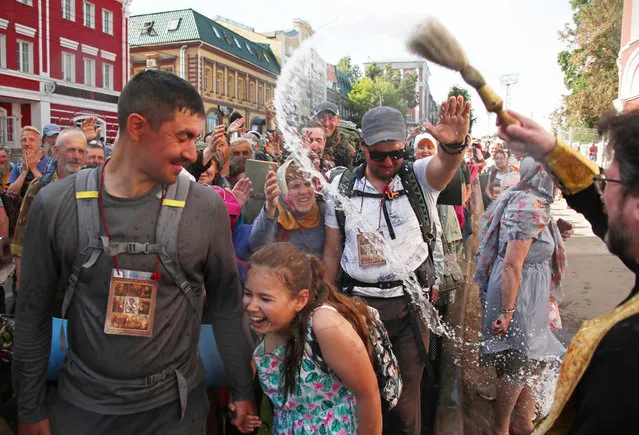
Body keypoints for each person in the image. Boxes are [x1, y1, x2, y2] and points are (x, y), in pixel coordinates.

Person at [12, 69, 256, 435]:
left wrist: (242, 388)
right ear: (138, 127)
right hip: (83, 407)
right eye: (183, 136)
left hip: (177, 410)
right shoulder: (55, 204)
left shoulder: (205, 208)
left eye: (196, 138)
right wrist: (30, 411)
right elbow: (31, 318)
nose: (192, 153)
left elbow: (226, 306)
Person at [322, 97, 471, 434]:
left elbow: (444, 166)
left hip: (409, 307)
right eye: (379, 155)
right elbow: (332, 252)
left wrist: (454, 145)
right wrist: (327, 304)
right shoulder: (341, 188)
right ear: (363, 148)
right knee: (360, 394)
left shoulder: (418, 177)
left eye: (396, 153)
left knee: (404, 404)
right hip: (357, 307)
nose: (389, 162)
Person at [492, 109, 639, 434]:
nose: (602, 194)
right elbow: (511, 263)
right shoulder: (529, 204)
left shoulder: (626, 353)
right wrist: (551, 148)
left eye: (607, 181)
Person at [246, 242, 382, 434]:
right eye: (247, 294)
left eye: (265, 299)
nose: (252, 305)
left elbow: (368, 395)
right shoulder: (263, 325)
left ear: (300, 299)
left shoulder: (325, 326)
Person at [475, 157, 566, 435]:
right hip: (519, 296)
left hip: (525, 295)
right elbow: (513, 264)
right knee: (518, 364)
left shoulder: (531, 201)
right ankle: (500, 428)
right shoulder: (530, 207)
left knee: (530, 361)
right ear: (543, 176)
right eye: (556, 174)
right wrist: (508, 310)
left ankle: (522, 423)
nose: (561, 182)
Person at [11, 127, 88, 290]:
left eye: (81, 151)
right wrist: (20, 278)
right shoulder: (39, 188)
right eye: (71, 150)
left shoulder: (93, 188)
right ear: (56, 152)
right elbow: (21, 236)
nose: (77, 156)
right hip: (45, 276)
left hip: (81, 279)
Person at [249, 159, 325, 258]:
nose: (303, 191)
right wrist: (270, 208)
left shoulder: (323, 212)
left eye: (307, 184)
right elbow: (257, 247)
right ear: (283, 189)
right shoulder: (276, 212)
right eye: (295, 186)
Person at [7, 127, 52, 196]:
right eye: (24, 140)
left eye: (31, 140)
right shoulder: (18, 167)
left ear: (40, 143)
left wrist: (34, 169)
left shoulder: (51, 164)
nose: (27, 143)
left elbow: (50, 192)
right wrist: (24, 171)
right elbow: (10, 194)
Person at [314, 101, 359, 168]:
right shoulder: (305, 142)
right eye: (322, 117)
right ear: (314, 119)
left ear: (338, 121)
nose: (326, 123)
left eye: (331, 118)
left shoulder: (347, 149)